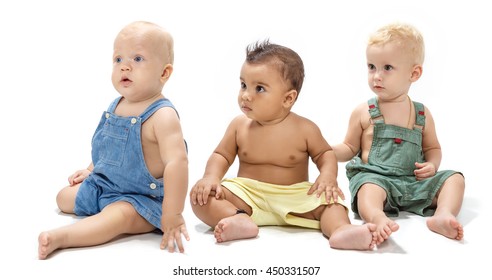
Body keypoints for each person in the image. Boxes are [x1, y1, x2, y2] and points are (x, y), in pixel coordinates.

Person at [190, 40, 377, 250]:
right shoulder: (238, 126)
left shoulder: (305, 128)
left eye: (259, 88)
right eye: (243, 85)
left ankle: (341, 230)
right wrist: (211, 177)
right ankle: (239, 218)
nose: (245, 95)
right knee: (201, 198)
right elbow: (221, 155)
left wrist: (327, 177)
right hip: (248, 194)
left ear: (288, 98)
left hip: (295, 195)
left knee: (332, 203)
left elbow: (325, 155)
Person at [38, 21, 189, 259]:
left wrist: (173, 213)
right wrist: (91, 170)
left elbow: (177, 163)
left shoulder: (163, 115)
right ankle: (99, 211)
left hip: (141, 199)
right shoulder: (116, 106)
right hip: (107, 185)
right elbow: (109, 149)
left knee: (119, 216)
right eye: (118, 59)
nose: (124, 67)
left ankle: (64, 237)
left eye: (137, 59)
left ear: (164, 73)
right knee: (64, 197)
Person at [333, 23, 465, 246]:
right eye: (371, 67)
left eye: (387, 68)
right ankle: (377, 218)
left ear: (414, 73)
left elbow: (433, 148)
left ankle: (443, 214)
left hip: (413, 183)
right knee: (368, 189)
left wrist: (432, 165)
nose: (376, 76)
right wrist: (325, 149)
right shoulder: (364, 112)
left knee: (455, 179)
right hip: (377, 180)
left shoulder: (422, 113)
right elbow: (348, 147)